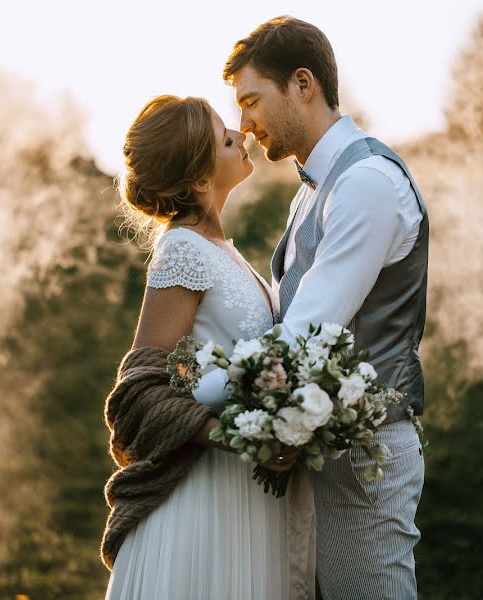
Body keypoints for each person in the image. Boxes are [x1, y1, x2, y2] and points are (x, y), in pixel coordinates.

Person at [195, 16, 429, 599]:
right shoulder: (317, 188)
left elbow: (305, 332)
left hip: (365, 461)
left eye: (251, 101)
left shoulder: (366, 184)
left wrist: (181, 403)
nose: (243, 124)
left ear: (303, 84)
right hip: (326, 450)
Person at [103, 94, 302, 600]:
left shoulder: (220, 248)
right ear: (197, 179)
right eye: (223, 137)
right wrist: (235, 434)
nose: (242, 135)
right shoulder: (182, 249)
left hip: (249, 491)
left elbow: (197, 370)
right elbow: (141, 390)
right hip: (207, 495)